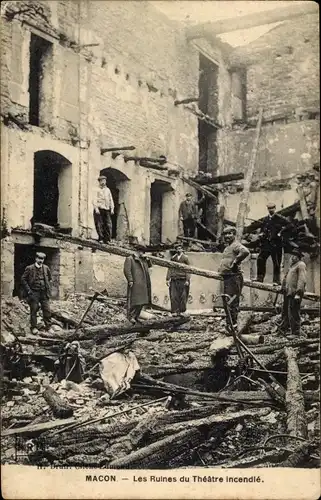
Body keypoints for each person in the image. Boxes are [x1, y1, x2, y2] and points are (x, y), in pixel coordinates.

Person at [218, 227, 250, 329]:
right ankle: (229, 325)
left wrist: (235, 262)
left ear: (234, 235)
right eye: (225, 234)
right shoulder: (228, 247)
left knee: (232, 302)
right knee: (227, 302)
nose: (227, 236)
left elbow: (245, 251)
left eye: (229, 234)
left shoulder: (236, 245)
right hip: (227, 277)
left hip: (234, 277)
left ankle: (233, 326)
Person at [256, 202, 293, 284]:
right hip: (266, 244)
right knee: (260, 259)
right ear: (267, 209)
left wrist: (281, 232)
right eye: (269, 208)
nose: (270, 210)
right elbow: (263, 229)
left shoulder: (279, 218)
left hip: (276, 244)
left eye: (272, 208)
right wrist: (261, 234)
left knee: (276, 263)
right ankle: (259, 278)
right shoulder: (266, 219)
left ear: (275, 208)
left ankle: (276, 281)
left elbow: (290, 225)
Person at [278, 249, 307, 338]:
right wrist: (283, 288)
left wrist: (299, 293)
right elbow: (286, 278)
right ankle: (283, 329)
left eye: (295, 256)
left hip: (295, 294)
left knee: (294, 312)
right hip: (288, 292)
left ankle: (296, 332)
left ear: (298, 257)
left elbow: (302, 280)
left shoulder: (301, 265)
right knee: (285, 312)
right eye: (292, 255)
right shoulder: (292, 266)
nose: (292, 257)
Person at [21, 252, 52, 334]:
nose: (41, 260)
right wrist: (28, 290)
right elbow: (23, 279)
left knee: (47, 309)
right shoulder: (29, 268)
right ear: (36, 258)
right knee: (34, 310)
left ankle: (48, 327)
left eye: (42, 259)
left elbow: (50, 278)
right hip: (34, 293)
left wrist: (47, 288)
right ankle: (34, 328)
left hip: (44, 293)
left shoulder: (46, 268)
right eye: (39, 259)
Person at [123, 249, 152, 324]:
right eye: (142, 251)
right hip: (135, 283)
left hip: (143, 284)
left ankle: (136, 316)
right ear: (138, 251)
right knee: (134, 301)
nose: (143, 253)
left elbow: (150, 266)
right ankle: (130, 316)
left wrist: (148, 260)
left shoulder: (143, 260)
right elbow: (127, 270)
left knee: (142, 301)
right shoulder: (130, 259)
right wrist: (130, 280)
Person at [166, 244, 190, 316]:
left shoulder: (185, 258)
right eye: (177, 249)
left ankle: (182, 311)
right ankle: (174, 311)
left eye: (180, 248)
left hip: (182, 279)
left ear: (182, 249)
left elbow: (188, 269)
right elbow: (170, 268)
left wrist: (187, 280)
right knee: (174, 296)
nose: (178, 250)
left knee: (183, 296)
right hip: (174, 279)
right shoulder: (173, 258)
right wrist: (168, 279)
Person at [93, 175, 114, 243]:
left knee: (108, 224)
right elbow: (94, 199)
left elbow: (111, 199)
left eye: (104, 181)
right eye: (101, 181)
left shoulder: (108, 190)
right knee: (99, 224)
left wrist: (112, 208)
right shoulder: (96, 189)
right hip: (99, 208)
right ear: (99, 182)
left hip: (106, 209)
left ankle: (107, 239)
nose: (103, 182)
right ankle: (101, 238)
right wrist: (96, 208)